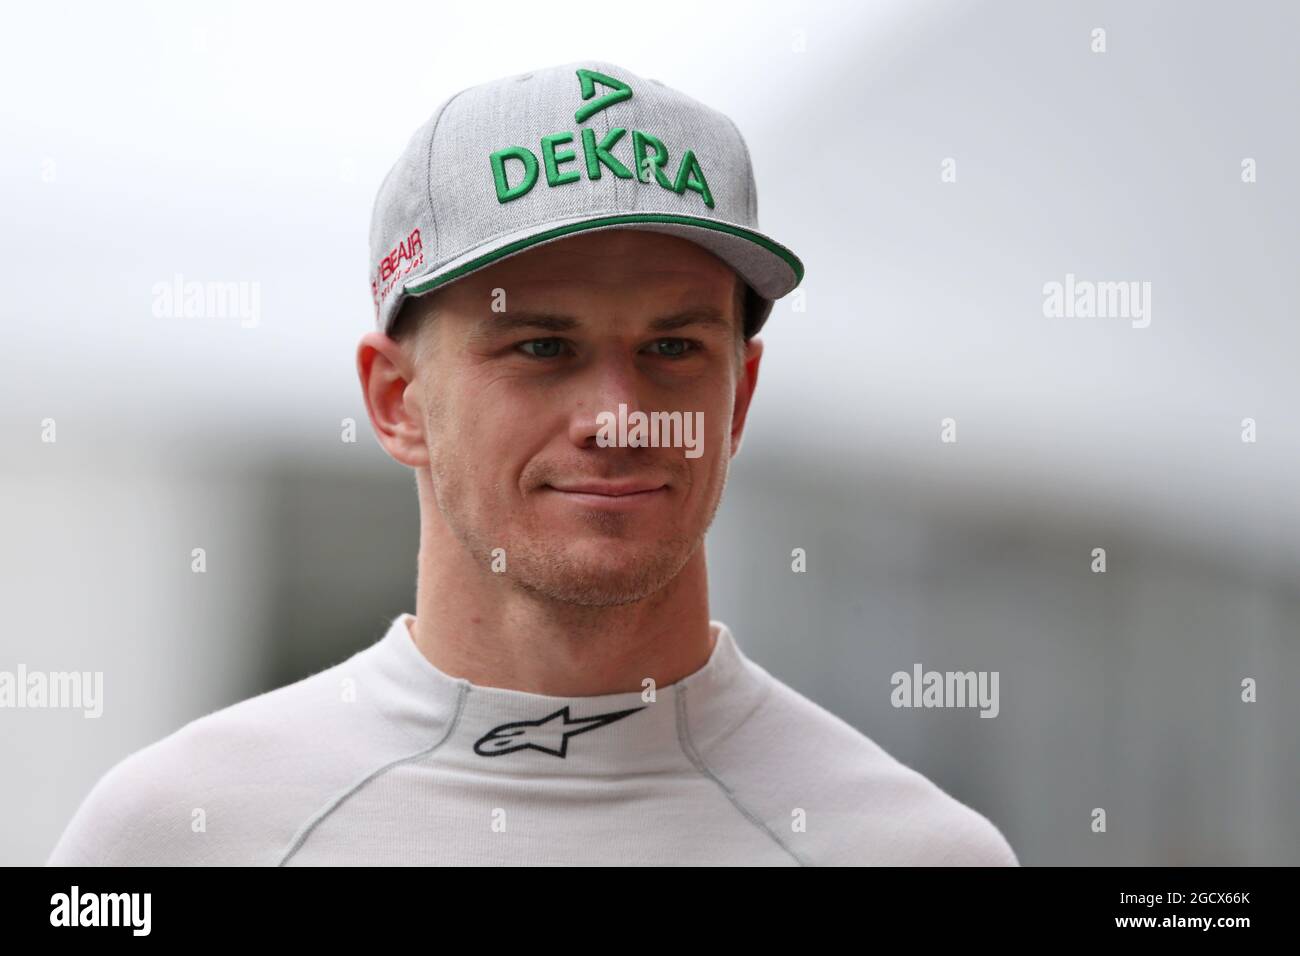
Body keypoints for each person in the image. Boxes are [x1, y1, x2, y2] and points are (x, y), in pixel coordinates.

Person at [47, 60, 1017, 866]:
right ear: (396, 401)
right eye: (542, 347)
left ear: (739, 398)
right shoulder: (177, 832)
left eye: (672, 348)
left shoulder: (914, 850)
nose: (617, 417)